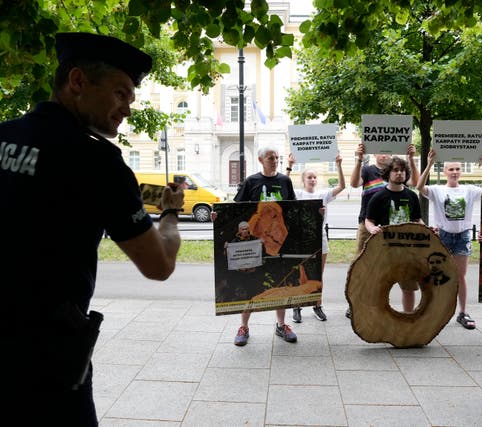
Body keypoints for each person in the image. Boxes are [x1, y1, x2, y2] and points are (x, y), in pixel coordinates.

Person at [0, 33, 184, 425]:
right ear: (79, 82)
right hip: (46, 365)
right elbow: (159, 265)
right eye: (120, 94)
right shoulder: (98, 162)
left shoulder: (4, 135)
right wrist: (169, 216)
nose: (127, 110)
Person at [212, 146, 298, 346]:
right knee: (249, 284)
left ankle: (281, 324)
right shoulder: (252, 181)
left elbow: (294, 207)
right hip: (252, 248)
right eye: (271, 157)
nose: (275, 160)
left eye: (277, 157)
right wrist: (218, 216)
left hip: (275, 246)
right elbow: (237, 209)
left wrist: (316, 212)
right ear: (261, 160)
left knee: (279, 284)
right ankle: (244, 327)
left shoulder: (285, 181)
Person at [417, 148, 482, 329]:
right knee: (439, 275)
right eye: (451, 169)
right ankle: (436, 310)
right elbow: (420, 187)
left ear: (461, 171)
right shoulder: (437, 190)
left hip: (462, 236)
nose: (454, 172)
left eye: (457, 169)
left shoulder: (468, 190)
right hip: (442, 236)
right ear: (445, 171)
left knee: (460, 276)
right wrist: (429, 164)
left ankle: (462, 312)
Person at [346, 142, 419, 317]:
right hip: (369, 225)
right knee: (362, 265)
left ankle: (404, 313)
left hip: (398, 230)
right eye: (379, 151)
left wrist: (411, 159)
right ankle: (355, 303)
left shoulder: (400, 170)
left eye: (386, 151)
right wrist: (358, 159)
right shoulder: (368, 170)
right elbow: (354, 183)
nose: (383, 155)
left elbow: (414, 182)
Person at [286, 152, 346, 322]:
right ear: (303, 180)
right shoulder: (297, 194)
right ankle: (297, 307)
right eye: (309, 177)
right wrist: (289, 166)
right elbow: (284, 186)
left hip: (319, 238)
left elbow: (342, 186)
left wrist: (339, 165)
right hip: (301, 239)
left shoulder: (323, 195)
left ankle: (317, 305)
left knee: (317, 275)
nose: (312, 179)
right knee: (300, 274)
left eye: (314, 177)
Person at [365, 156, 424, 311]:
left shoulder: (412, 196)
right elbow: (368, 220)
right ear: (388, 173)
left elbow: (418, 220)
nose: (400, 173)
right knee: (381, 288)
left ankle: (408, 320)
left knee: (409, 289)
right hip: (386, 251)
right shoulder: (378, 196)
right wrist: (372, 229)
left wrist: (427, 230)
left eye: (403, 170)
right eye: (396, 170)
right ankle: (382, 322)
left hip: (408, 252)